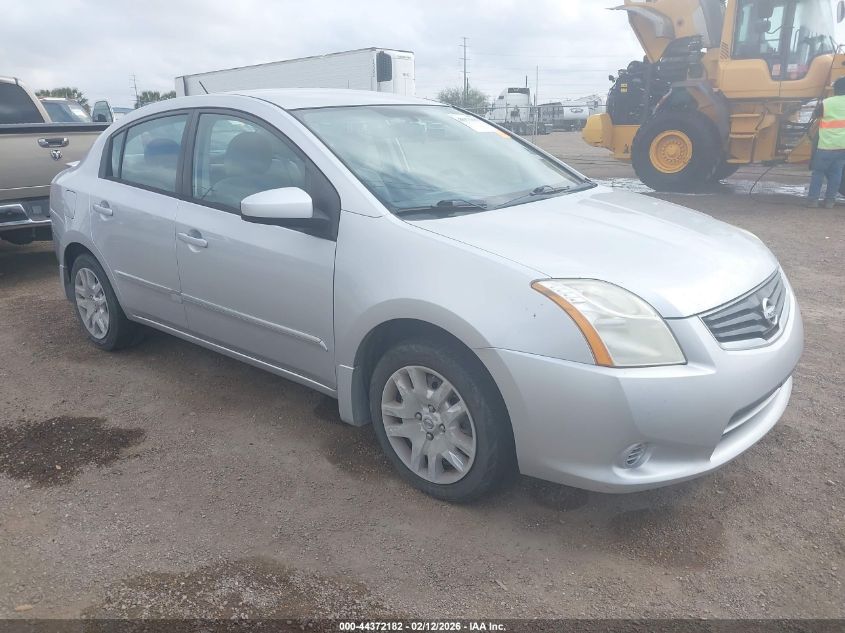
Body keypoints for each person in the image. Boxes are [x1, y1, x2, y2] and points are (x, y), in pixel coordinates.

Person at [808, 77, 845, 208]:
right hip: (842, 146)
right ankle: (830, 201)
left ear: (835, 89)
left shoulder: (827, 102)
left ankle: (813, 201)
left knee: (818, 173)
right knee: (836, 174)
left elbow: (814, 116)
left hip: (826, 145)